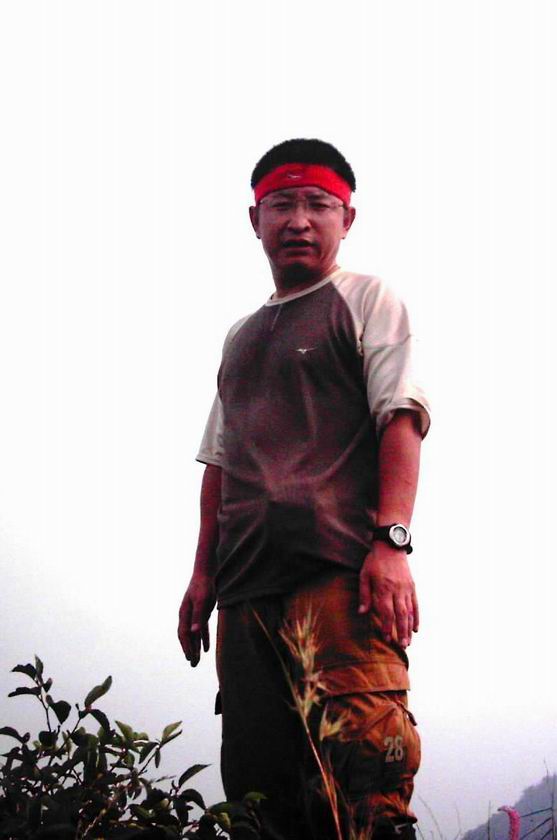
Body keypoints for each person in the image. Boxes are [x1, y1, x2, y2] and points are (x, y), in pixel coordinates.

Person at [178, 138, 431, 840]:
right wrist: (202, 575)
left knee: (364, 789)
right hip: (245, 595)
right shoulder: (241, 336)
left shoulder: (366, 299)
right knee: (259, 803)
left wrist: (391, 543)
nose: (298, 220)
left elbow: (401, 417)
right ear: (254, 220)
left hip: (339, 576)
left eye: (317, 204)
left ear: (346, 218)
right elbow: (220, 463)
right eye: (281, 205)